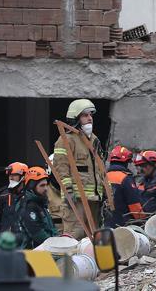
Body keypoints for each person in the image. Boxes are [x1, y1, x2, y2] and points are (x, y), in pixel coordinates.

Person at [53, 99, 107, 239]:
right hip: (75, 200)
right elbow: (61, 167)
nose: (90, 118)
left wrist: (106, 191)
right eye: (85, 115)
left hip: (94, 199)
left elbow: (99, 169)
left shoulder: (94, 140)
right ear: (75, 118)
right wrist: (68, 191)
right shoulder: (66, 140)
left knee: (93, 239)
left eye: (91, 115)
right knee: (75, 235)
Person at [16, 167, 58, 249]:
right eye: (42, 185)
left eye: (46, 185)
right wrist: (54, 244)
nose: (46, 188)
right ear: (31, 186)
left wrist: (57, 239)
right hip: (33, 255)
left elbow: (51, 228)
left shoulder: (40, 203)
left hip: (44, 250)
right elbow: (37, 233)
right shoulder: (27, 206)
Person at [104, 146, 144, 228]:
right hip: (123, 224)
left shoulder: (104, 176)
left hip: (106, 223)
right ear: (125, 162)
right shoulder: (125, 179)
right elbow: (134, 205)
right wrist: (143, 220)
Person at [0, 162, 27, 242]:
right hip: (5, 242)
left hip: (25, 242)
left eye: (14, 175)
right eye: (10, 175)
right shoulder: (3, 194)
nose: (11, 178)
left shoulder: (30, 196)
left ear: (23, 176)